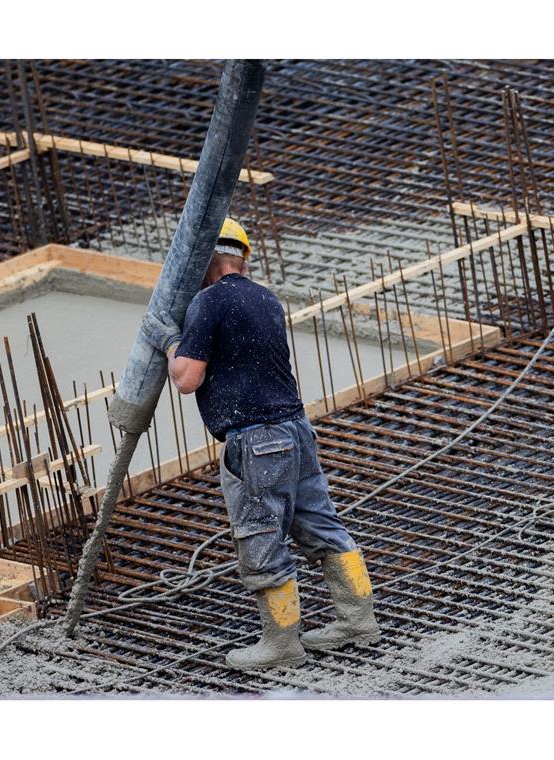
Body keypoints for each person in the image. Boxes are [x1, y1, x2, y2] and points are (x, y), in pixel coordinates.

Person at [139, 217, 380, 670]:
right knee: (322, 525)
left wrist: (171, 342)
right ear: (243, 258)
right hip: (295, 430)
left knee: (261, 538)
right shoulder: (265, 298)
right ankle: (357, 621)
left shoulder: (207, 303)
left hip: (254, 441)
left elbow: (188, 379)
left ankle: (282, 645)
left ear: (203, 263)